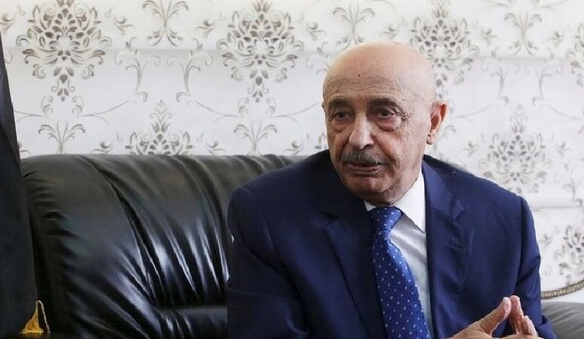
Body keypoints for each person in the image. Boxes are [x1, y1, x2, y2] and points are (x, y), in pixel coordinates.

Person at [226, 41, 555, 339]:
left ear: (433, 122)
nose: (358, 138)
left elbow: (532, 331)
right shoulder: (270, 215)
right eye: (341, 115)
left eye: (384, 113)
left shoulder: (503, 219)